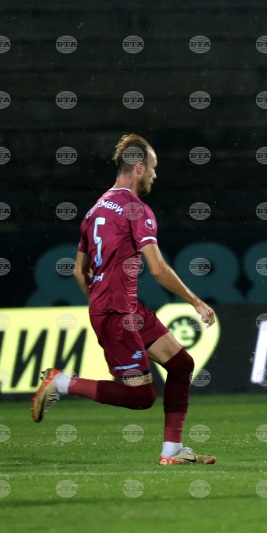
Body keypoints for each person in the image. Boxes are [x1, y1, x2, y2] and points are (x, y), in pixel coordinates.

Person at [32, 134, 217, 465]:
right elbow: (158, 269)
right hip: (117, 312)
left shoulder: (95, 210)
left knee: (182, 365)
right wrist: (195, 301)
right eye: (153, 168)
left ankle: (172, 451)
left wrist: (100, 302)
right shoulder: (136, 209)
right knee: (141, 397)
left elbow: (79, 272)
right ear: (139, 168)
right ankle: (60, 382)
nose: (155, 175)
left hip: (122, 308)